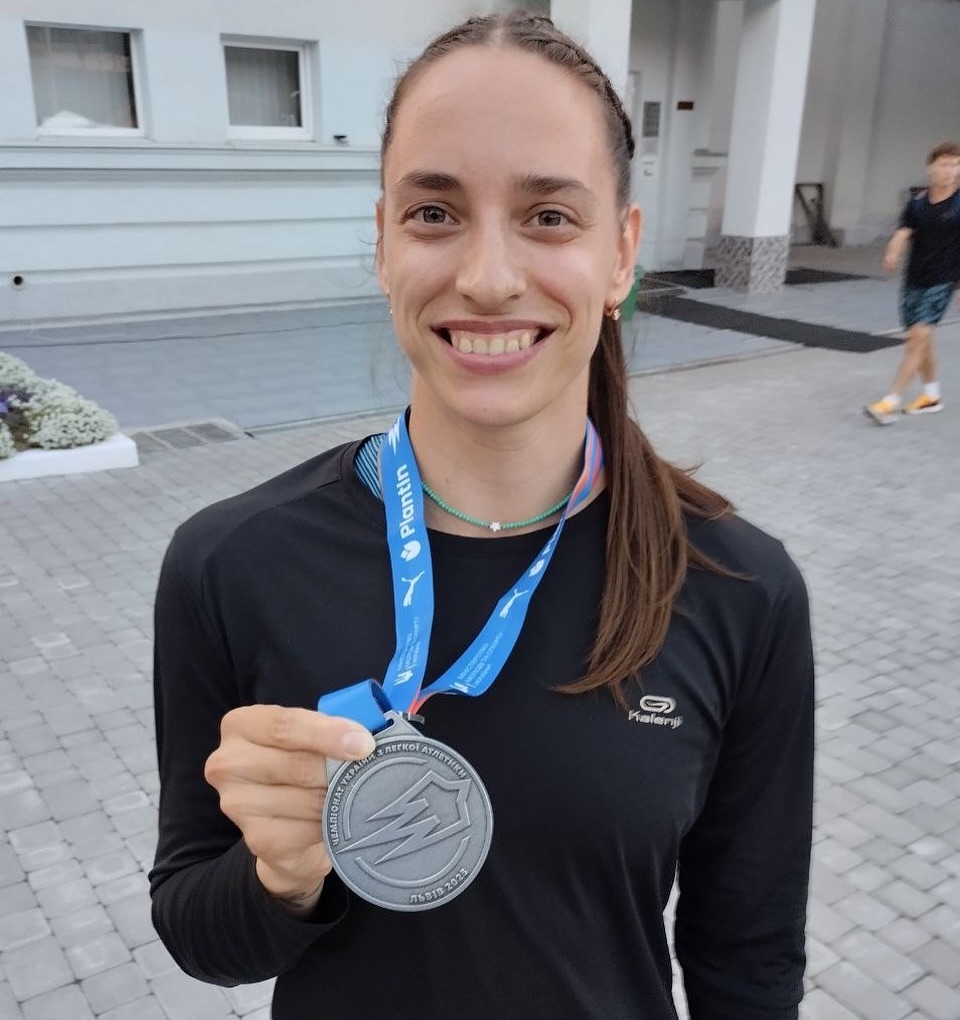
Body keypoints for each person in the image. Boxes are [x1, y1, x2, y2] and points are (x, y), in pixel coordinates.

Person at [149, 12, 814, 1019]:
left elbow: (749, 968)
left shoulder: (738, 589)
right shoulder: (230, 564)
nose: (489, 278)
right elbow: (198, 934)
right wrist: (279, 881)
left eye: (549, 215)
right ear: (382, 242)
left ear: (621, 253)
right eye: (435, 213)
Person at [865, 140, 960, 425]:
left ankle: (890, 401)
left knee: (917, 338)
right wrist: (892, 251)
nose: (951, 170)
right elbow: (904, 230)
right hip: (914, 280)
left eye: (956, 165)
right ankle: (931, 396)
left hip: (943, 281)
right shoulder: (918, 202)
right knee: (921, 341)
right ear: (931, 168)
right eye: (945, 164)